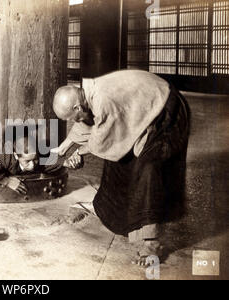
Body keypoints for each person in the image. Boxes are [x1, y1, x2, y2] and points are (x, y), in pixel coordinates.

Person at [52, 69, 190, 266]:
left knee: (148, 169)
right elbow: (86, 122)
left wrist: (79, 153)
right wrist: (64, 148)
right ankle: (127, 223)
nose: (73, 121)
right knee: (119, 163)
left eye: (71, 117)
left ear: (76, 107)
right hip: (144, 110)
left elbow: (100, 138)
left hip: (166, 111)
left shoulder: (102, 99)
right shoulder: (87, 93)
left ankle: (151, 243)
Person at [0, 131, 65, 195]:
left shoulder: (38, 156)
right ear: (16, 156)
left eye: (35, 159)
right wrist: (7, 181)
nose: (32, 165)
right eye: (27, 161)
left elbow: (53, 162)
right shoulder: (5, 158)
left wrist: (66, 162)